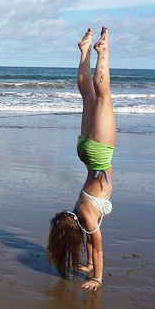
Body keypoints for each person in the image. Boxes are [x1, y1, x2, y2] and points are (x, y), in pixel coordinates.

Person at [47, 26, 116, 290]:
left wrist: (97, 277)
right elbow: (90, 243)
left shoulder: (86, 219)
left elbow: (97, 249)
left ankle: (102, 52)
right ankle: (85, 51)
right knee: (89, 98)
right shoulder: (79, 214)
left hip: (98, 156)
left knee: (103, 98)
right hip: (85, 155)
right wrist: (88, 267)